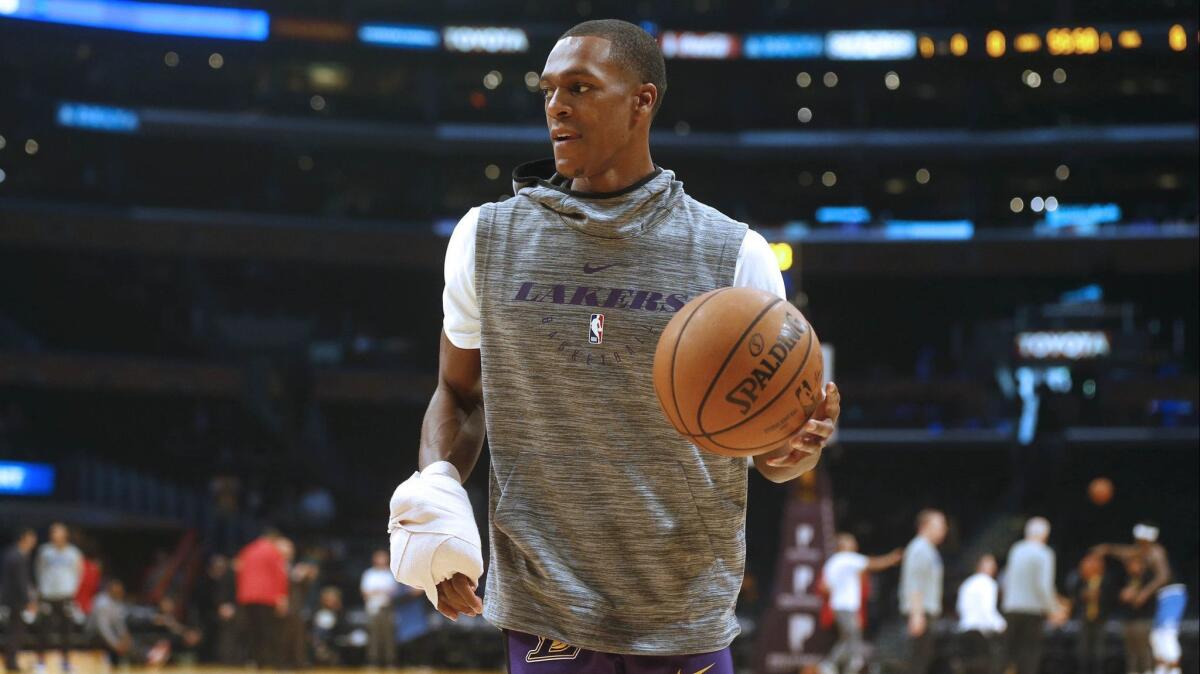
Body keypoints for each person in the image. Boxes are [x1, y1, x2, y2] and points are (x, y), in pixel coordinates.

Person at [385, 17, 842, 674]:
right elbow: (459, 393)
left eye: (579, 87)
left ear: (641, 101)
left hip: (685, 613)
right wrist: (438, 503)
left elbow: (768, 455)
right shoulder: (483, 240)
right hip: (549, 619)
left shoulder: (733, 254)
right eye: (546, 90)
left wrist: (792, 451)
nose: (556, 107)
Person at [1094, 522, 1187, 674]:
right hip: (1162, 597)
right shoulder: (1142, 551)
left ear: (1148, 540)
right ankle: (1163, 669)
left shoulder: (1156, 552)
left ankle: (1174, 670)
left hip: (1172, 593)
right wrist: (1107, 548)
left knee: (1166, 633)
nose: (1138, 544)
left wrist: (1144, 592)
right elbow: (1125, 552)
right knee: (1157, 636)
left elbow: (1163, 576)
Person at [818, 534, 901, 674]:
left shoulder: (832, 562)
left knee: (848, 637)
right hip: (846, 607)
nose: (854, 544)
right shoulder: (848, 558)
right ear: (843, 545)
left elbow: (825, 586)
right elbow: (873, 564)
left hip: (839, 606)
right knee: (853, 638)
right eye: (850, 541)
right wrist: (892, 559)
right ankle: (836, 664)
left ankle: (838, 665)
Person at [1000, 517, 1066, 674]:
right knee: (1028, 657)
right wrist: (1054, 609)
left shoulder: (1016, 549)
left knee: (1007, 655)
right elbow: (1043, 586)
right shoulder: (1045, 553)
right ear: (1045, 534)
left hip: (1011, 609)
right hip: (1033, 612)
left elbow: (1006, 579)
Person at [899, 509, 946, 674]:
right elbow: (914, 583)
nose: (944, 529)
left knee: (922, 661)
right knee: (915, 662)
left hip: (926, 611)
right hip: (920, 611)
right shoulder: (919, 548)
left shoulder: (930, 550)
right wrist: (916, 614)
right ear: (925, 526)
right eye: (940, 525)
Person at [234, 529, 288, 669]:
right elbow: (280, 575)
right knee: (270, 631)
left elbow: (239, 572)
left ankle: (257, 662)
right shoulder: (273, 552)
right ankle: (277, 664)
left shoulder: (247, 550)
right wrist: (282, 596)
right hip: (266, 596)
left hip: (247, 596)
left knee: (253, 631)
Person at [34, 523, 83, 672]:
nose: (55, 535)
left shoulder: (73, 553)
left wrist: (72, 591)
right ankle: (41, 663)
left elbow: (78, 573)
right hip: (48, 596)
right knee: (44, 631)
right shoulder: (44, 551)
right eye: (53, 533)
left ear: (65, 535)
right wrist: (41, 591)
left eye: (58, 532)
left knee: (67, 632)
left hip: (66, 596)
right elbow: (39, 571)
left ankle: (66, 663)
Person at [87, 580, 170, 667]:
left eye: (120, 591)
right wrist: (115, 644)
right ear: (110, 590)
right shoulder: (102, 604)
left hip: (110, 634)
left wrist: (125, 636)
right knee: (123, 644)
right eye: (117, 591)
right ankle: (148, 656)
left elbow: (118, 623)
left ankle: (148, 655)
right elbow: (103, 629)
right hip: (94, 635)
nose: (119, 593)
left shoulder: (116, 602)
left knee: (128, 640)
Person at [1064, 552, 1115, 674]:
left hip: (1100, 618)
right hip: (1084, 617)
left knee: (1099, 650)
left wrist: (1100, 596)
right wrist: (1083, 595)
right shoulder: (1080, 580)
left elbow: (1112, 599)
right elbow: (1073, 597)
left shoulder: (1106, 580)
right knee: (1082, 649)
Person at [955, 554, 1005, 674]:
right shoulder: (989, 583)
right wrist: (1002, 626)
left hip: (964, 631)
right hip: (980, 635)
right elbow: (988, 610)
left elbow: (959, 608)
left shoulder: (966, 583)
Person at [3, 528, 38, 673]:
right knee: (16, 632)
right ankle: (11, 663)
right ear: (23, 539)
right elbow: (20, 582)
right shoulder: (18, 556)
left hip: (10, 599)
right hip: (16, 600)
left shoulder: (11, 553)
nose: (33, 543)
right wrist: (29, 601)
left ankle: (10, 661)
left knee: (13, 631)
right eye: (31, 540)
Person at [195, 554, 239, 664]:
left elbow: (234, 598)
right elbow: (198, 607)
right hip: (206, 619)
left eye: (222, 568)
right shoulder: (203, 583)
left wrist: (231, 607)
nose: (219, 571)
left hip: (228, 618)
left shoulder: (230, 580)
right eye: (216, 568)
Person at [361, 549, 400, 667]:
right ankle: (373, 659)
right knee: (373, 634)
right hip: (373, 608)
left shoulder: (391, 573)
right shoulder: (369, 574)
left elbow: (393, 591)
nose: (381, 560)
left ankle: (390, 660)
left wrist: (377, 591)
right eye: (379, 557)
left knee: (388, 635)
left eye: (383, 557)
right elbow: (365, 592)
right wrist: (380, 591)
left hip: (387, 608)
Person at [1117, 556, 1155, 674]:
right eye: (1129, 564)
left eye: (1134, 563)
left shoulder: (1149, 579)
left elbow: (1144, 599)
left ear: (1142, 565)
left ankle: (1148, 671)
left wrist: (1135, 594)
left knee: (1144, 650)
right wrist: (1124, 595)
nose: (1131, 567)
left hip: (1143, 620)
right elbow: (1119, 597)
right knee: (1131, 651)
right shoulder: (1126, 578)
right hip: (1128, 620)